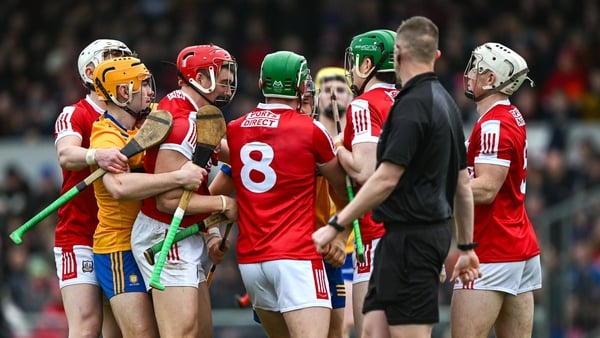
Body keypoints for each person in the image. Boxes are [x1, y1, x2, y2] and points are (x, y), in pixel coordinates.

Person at [312, 16, 482, 338]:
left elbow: (370, 171)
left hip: (396, 238)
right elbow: (460, 184)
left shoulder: (372, 104)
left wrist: (338, 150)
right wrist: (464, 244)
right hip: (412, 237)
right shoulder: (445, 102)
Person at [226, 50, 348, 338]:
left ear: (261, 84)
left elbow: (223, 180)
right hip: (298, 257)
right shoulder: (311, 130)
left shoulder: (235, 129)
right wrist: (340, 234)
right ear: (301, 87)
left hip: (252, 261)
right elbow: (344, 188)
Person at [89, 56, 206, 337]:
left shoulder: (152, 117)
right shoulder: (106, 136)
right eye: (143, 86)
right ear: (122, 92)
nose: (152, 92)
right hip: (118, 248)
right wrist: (178, 177)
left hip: (152, 240)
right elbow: (119, 188)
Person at [130, 44, 238, 338]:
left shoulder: (193, 111)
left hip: (186, 234)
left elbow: (214, 169)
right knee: (182, 334)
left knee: (201, 333)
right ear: (201, 79)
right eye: (223, 77)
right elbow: (168, 200)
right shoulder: (183, 123)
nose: (229, 84)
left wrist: (212, 234)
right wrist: (221, 204)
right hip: (166, 234)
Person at [450, 42, 541, 338]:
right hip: (519, 245)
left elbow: (487, 187)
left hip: (492, 248)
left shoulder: (493, 123)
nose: (469, 74)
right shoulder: (509, 115)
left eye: (477, 68)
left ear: (491, 79)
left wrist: (436, 189)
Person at [53, 38, 133, 338]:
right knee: (87, 329)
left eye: (124, 60)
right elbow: (66, 154)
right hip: (80, 234)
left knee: (118, 332)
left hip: (120, 236)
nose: (121, 67)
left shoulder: (137, 116)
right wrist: (97, 154)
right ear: (89, 71)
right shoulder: (75, 113)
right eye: (112, 59)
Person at [332, 29, 399, 337]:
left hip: (378, 237)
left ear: (368, 64)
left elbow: (366, 171)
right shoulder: (418, 100)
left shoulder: (363, 105)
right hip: (422, 235)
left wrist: (339, 148)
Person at [314, 66, 356, 338]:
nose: (333, 94)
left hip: (351, 243)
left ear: (351, 97)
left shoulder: (357, 138)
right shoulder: (309, 133)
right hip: (312, 242)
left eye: (341, 89)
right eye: (327, 89)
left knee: (346, 323)